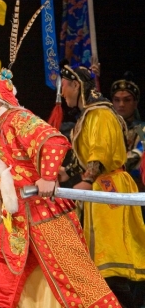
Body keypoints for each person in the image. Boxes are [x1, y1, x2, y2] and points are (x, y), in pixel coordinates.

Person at [0, 61, 120, 308]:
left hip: (45, 214)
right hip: (20, 219)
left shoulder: (18, 118)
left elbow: (53, 141)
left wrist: (47, 177)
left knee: (79, 281)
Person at [60, 62, 145, 307]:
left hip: (109, 187)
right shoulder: (90, 114)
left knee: (110, 263)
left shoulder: (100, 114)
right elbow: (87, 153)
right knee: (102, 265)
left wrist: (87, 179)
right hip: (102, 186)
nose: (62, 93)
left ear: (76, 85)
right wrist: (66, 172)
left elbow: (99, 150)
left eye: (64, 87)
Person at [111, 72, 145, 189]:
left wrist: (110, 163)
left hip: (135, 186)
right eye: (117, 100)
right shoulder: (107, 128)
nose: (121, 104)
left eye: (127, 100)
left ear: (135, 103)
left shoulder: (142, 129)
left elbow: (140, 153)